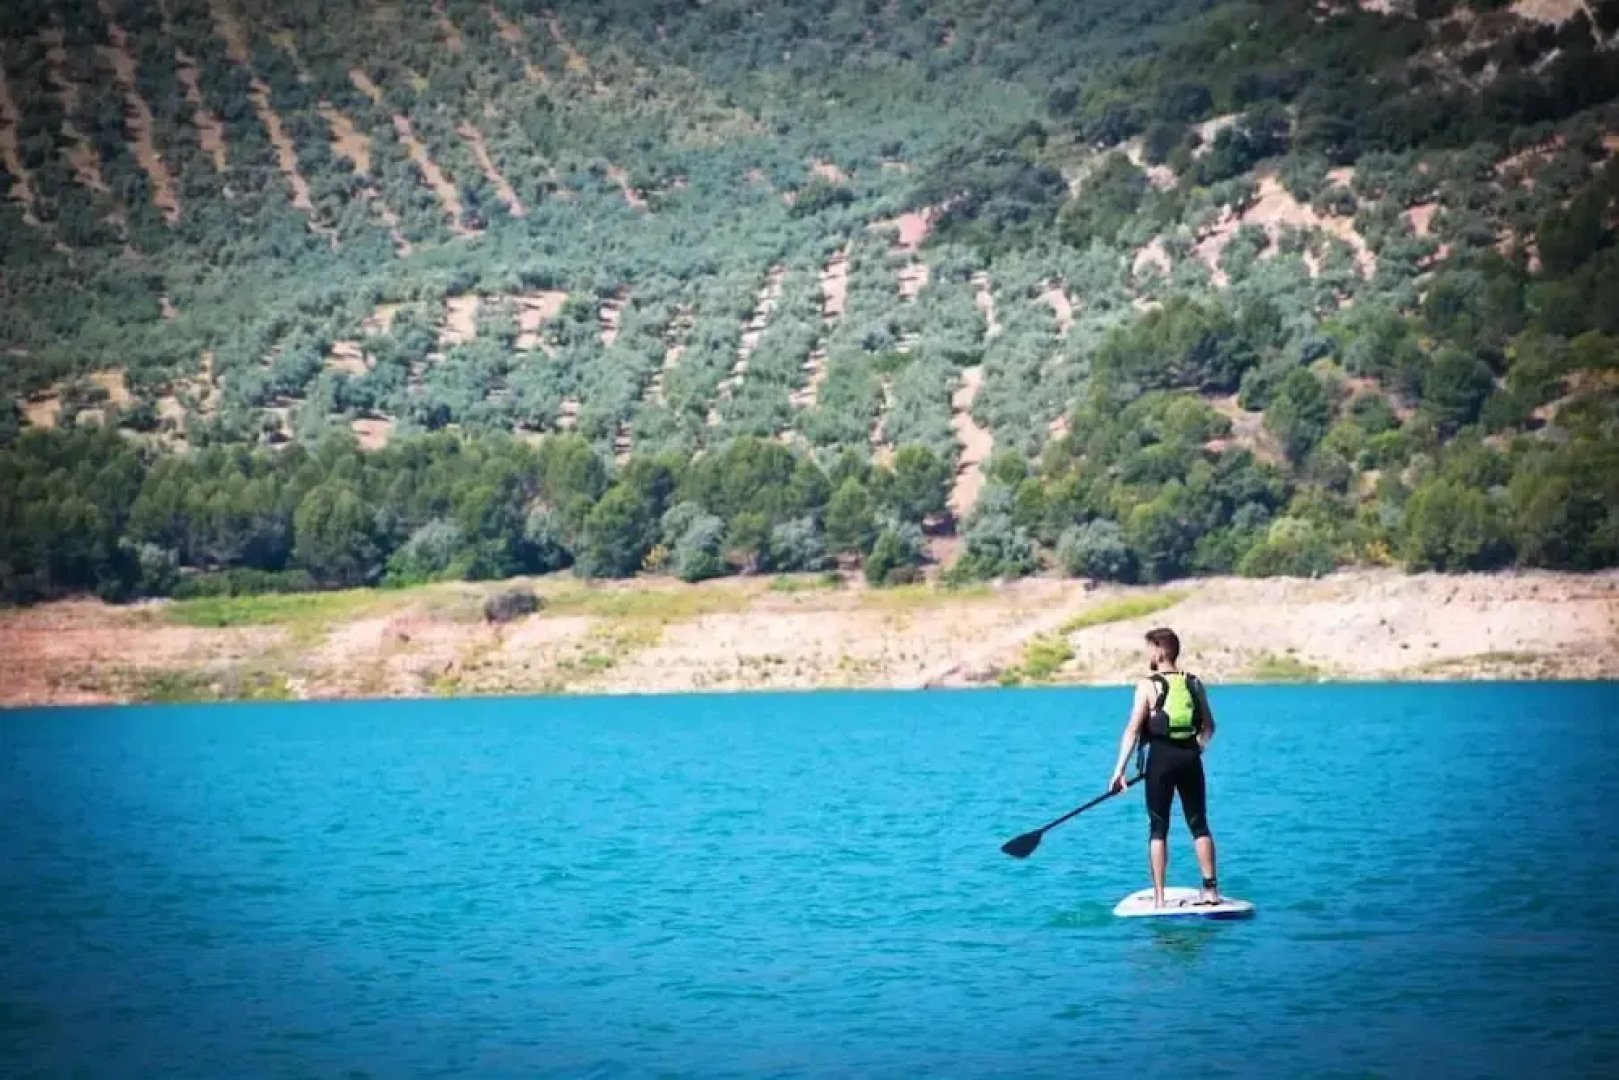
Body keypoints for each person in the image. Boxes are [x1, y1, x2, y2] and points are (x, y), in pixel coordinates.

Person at [1107, 626, 1219, 908]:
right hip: (1190, 758)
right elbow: (1209, 726)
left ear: (1159, 650)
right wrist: (1198, 747)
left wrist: (1119, 771)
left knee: (1159, 828)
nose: (1147, 653)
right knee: (1199, 824)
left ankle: (1159, 898)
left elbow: (1133, 729)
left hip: (1161, 760)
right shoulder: (1194, 682)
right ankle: (1211, 892)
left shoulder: (1148, 684)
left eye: (1148, 648)